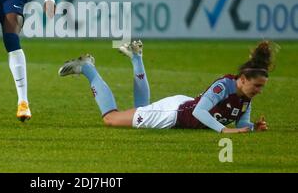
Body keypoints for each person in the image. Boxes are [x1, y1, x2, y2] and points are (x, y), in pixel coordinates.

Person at [58, 40, 275, 133]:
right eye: (257, 85)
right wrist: (225, 130)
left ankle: (136, 58)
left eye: (261, 87)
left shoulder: (245, 95)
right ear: (244, 79)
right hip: (174, 114)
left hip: (181, 105)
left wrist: (252, 127)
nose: (258, 91)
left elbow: (242, 121)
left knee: (143, 108)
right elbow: (200, 112)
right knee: (111, 119)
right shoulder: (224, 86)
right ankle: (87, 68)